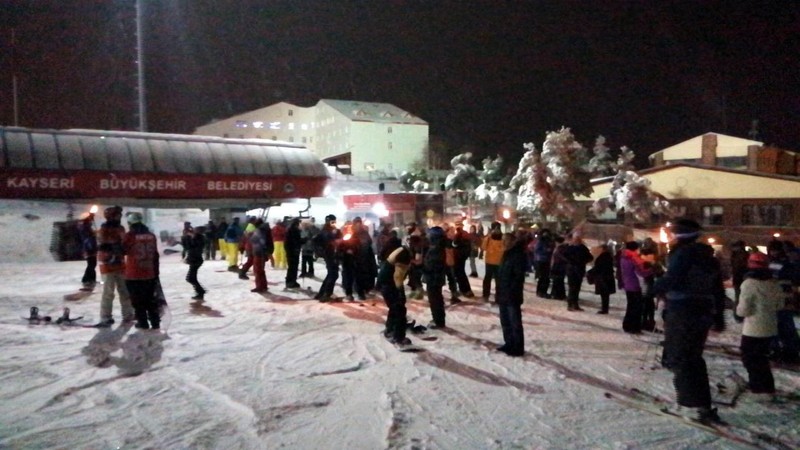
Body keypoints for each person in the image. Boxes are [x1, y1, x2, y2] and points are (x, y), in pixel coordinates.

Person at [654, 218, 725, 424]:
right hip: (702, 310)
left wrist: (656, 286)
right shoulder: (707, 256)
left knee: (681, 356)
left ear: (678, 234)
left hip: (683, 310)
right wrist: (717, 314)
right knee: (693, 356)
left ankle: (690, 405)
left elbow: (674, 278)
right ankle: (700, 403)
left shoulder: (683, 253)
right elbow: (717, 288)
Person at [737, 252, 784, 395]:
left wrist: (738, 311)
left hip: (753, 329)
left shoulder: (749, 283)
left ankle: (758, 387)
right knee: (762, 358)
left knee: (750, 359)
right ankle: (767, 386)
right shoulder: (774, 283)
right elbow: (780, 305)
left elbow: (743, 310)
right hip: (770, 327)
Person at [95, 206, 133, 327]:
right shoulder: (104, 229)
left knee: (125, 291)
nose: (119, 217)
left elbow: (124, 242)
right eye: (117, 215)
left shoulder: (120, 228)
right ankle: (105, 316)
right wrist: (113, 247)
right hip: (108, 264)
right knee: (108, 292)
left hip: (120, 264)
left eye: (119, 215)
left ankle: (128, 314)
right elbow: (102, 244)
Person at [122, 212, 160, 330]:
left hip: (134, 273)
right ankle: (155, 321)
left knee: (137, 301)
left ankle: (143, 322)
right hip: (149, 272)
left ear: (130, 223)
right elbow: (155, 255)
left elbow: (122, 250)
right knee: (150, 299)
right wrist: (156, 272)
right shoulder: (151, 235)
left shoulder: (129, 236)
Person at [766, 240, 800, 364]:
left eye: (775, 250)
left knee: (786, 326)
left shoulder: (786, 263)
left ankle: (791, 351)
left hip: (784, 300)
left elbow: (793, 280)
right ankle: (777, 349)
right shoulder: (771, 262)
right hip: (774, 299)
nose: (772, 252)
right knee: (775, 326)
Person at [496, 232, 527, 357]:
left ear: (512, 242)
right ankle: (509, 343)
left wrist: (511, 291)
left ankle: (518, 347)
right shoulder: (506, 254)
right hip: (503, 293)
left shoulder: (518, 255)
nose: (503, 243)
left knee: (514, 322)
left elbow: (518, 277)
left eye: (506, 240)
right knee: (505, 321)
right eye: (503, 240)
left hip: (512, 295)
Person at [378, 236, 413, 346]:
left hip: (385, 282)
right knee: (399, 309)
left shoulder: (401, 250)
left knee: (394, 308)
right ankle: (398, 338)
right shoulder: (404, 254)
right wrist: (400, 291)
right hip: (389, 283)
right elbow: (398, 276)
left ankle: (390, 330)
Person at [619, 241, 650, 333]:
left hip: (627, 284)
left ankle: (627, 325)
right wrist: (651, 270)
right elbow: (641, 272)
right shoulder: (633, 258)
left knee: (630, 306)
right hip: (635, 285)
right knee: (637, 307)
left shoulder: (624, 257)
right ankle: (634, 327)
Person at [314, 214, 342, 302]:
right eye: (332, 221)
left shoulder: (332, 230)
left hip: (332, 254)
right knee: (333, 274)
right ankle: (326, 294)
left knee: (331, 274)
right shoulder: (326, 231)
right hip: (330, 254)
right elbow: (324, 240)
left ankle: (323, 293)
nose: (334, 223)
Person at [423, 226, 448, 328]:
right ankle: (438, 319)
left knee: (435, 300)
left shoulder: (436, 249)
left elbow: (432, 265)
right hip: (436, 277)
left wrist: (423, 267)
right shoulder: (437, 247)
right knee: (436, 299)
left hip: (434, 278)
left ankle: (438, 321)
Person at [563, 233, 593, 311]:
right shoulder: (571, 248)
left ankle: (574, 304)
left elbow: (590, 257)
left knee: (576, 287)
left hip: (576, 268)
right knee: (573, 287)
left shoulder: (581, 248)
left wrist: (582, 261)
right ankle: (571, 304)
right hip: (574, 269)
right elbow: (564, 256)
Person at [481, 221, 505, 302]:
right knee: (488, 279)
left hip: (499, 262)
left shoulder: (503, 238)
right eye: (495, 228)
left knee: (499, 280)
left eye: (498, 228)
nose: (497, 230)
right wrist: (488, 236)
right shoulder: (488, 238)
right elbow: (483, 247)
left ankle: (498, 296)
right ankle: (485, 295)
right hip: (489, 262)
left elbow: (505, 248)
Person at [451, 221, 476, 298]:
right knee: (460, 273)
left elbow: (454, 244)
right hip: (461, 256)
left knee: (459, 273)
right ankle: (465, 290)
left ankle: (465, 290)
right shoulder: (465, 234)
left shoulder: (459, 234)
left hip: (458, 256)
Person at [590, 243, 616, 314]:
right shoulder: (608, 256)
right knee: (605, 294)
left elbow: (599, 267)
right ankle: (605, 308)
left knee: (604, 294)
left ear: (603, 249)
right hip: (607, 277)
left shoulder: (603, 257)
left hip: (603, 278)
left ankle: (604, 309)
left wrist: (591, 272)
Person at [250, 219, 274, 293]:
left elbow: (256, 240)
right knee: (261, 270)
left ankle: (259, 286)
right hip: (263, 252)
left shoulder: (260, 230)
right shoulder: (266, 229)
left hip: (259, 252)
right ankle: (263, 285)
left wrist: (251, 236)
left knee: (257, 270)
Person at [729, 240, 749, 323]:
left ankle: (739, 315)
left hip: (740, 278)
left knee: (740, 297)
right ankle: (739, 315)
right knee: (740, 297)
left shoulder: (739, 255)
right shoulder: (739, 255)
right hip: (740, 278)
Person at [185, 225, 206, 300]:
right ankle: (200, 291)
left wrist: (191, 237)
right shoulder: (197, 237)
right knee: (191, 278)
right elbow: (188, 246)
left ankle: (200, 291)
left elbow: (192, 247)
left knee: (190, 278)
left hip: (196, 260)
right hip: (195, 260)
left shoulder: (199, 238)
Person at [78, 212, 97, 289]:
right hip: (89, 248)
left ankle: (92, 278)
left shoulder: (86, 227)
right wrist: (91, 247)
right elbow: (88, 238)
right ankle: (86, 279)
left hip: (90, 247)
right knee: (91, 264)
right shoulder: (85, 227)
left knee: (92, 263)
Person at [533, 229, 555, 298]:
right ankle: (540, 291)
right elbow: (536, 250)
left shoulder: (549, 241)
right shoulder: (540, 242)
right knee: (543, 277)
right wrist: (546, 250)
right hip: (541, 261)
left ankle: (543, 291)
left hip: (547, 261)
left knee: (546, 278)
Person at [284, 218, 303, 289]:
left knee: (292, 267)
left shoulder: (289, 229)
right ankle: (291, 282)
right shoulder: (294, 230)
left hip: (290, 251)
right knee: (293, 267)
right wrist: (305, 240)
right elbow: (296, 241)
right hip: (293, 251)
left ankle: (291, 281)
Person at [549, 236, 568, 300]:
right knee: (557, 280)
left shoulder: (561, 248)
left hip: (559, 266)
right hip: (557, 265)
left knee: (558, 280)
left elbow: (561, 257)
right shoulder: (559, 248)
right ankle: (556, 294)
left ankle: (558, 294)